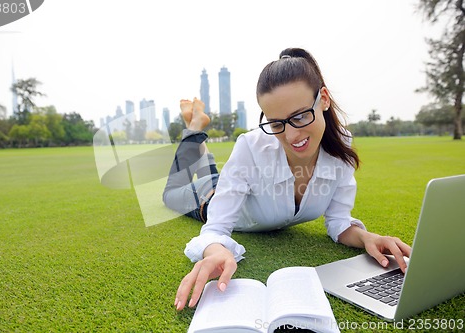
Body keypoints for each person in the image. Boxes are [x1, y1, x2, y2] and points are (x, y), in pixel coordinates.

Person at [164, 48, 412, 311]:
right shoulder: (251, 146)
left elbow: (339, 221)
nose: (292, 135)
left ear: (324, 99)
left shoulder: (341, 148)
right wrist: (215, 250)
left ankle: (204, 151)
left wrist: (366, 237)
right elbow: (215, 228)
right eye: (276, 123)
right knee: (171, 193)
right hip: (209, 198)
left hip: (228, 183)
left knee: (216, 176)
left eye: (300, 115)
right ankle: (193, 129)